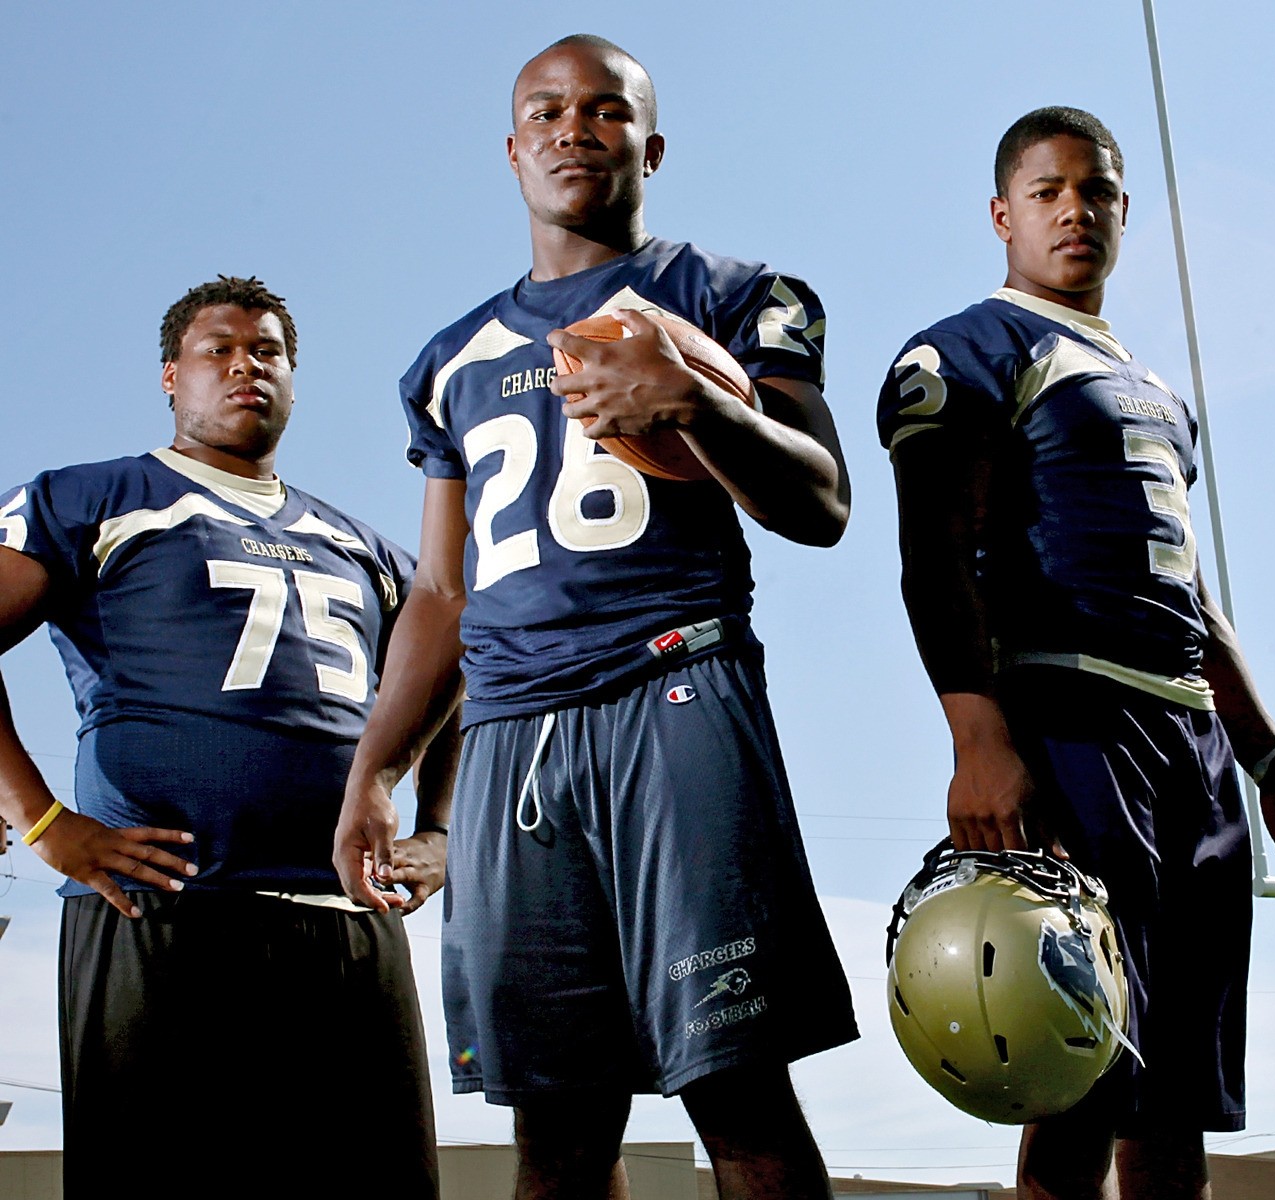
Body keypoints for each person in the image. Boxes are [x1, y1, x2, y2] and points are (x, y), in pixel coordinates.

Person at [333, 34, 856, 1200]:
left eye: (606, 111)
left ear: (651, 145)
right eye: (548, 112)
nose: (575, 128)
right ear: (512, 149)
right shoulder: (448, 360)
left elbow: (821, 503)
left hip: (672, 692)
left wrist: (696, 407)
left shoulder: (730, 294)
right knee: (559, 1135)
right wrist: (377, 769)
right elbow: (440, 592)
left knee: (739, 1091)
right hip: (513, 738)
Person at [877, 107, 1275, 1200]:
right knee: (1078, 1075)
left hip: (1189, 740)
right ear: (1003, 214)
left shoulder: (1156, 390)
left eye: (1095, 192)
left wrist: (1272, 765)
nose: (1074, 212)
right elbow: (934, 555)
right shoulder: (971, 347)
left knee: (1175, 1106)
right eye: (1048, 192)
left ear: (1123, 211)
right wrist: (977, 736)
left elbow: (1191, 592)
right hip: (1074, 722)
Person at [0, 275, 447, 1199]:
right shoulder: (94, 497)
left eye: (270, 351)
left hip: (347, 921)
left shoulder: (367, 546)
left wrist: (439, 826)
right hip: (165, 916)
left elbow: (459, 687)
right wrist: (41, 820)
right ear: (172, 376)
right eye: (219, 350)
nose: (247, 366)